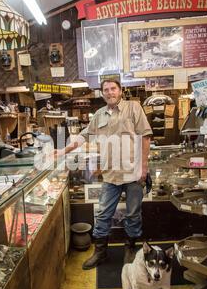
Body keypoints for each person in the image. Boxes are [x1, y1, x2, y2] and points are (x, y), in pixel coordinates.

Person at [54, 80, 152, 270]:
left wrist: (144, 167)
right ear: (102, 93)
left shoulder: (133, 108)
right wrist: (62, 151)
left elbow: (145, 136)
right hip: (110, 175)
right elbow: (84, 136)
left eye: (113, 88)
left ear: (120, 90)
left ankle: (130, 248)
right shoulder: (99, 115)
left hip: (132, 173)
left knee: (133, 214)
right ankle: (100, 252)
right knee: (103, 214)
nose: (109, 92)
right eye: (105, 90)